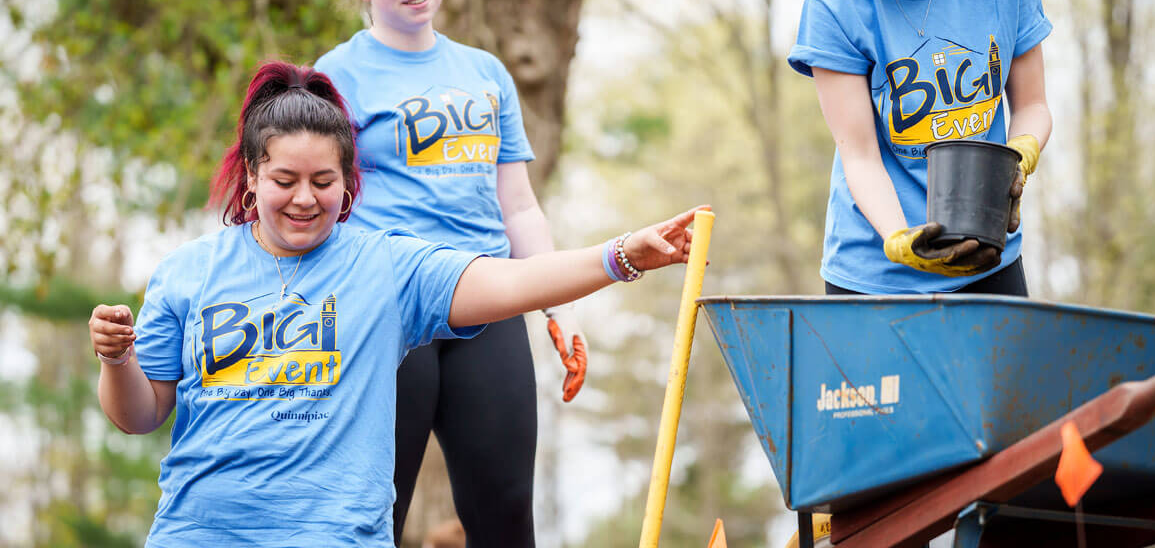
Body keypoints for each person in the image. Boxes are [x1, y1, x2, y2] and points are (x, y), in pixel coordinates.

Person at [87, 61, 703, 547]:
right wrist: (118, 361)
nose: (305, 199)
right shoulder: (188, 272)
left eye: (324, 183)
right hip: (198, 533)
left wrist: (622, 256)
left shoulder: (385, 265)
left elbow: (513, 281)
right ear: (251, 175)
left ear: (349, 181)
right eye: (284, 181)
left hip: (335, 537)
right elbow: (140, 416)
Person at [311, 0, 584, 546]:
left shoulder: (485, 73)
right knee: (377, 511)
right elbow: (319, 201)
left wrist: (558, 309)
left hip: (487, 301)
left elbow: (518, 206)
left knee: (507, 513)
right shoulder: (334, 77)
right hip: (389, 309)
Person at [788, 0, 1053, 296]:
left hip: (986, 257)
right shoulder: (836, 3)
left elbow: (1032, 105)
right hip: (874, 274)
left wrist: (1021, 155)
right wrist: (899, 239)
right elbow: (860, 155)